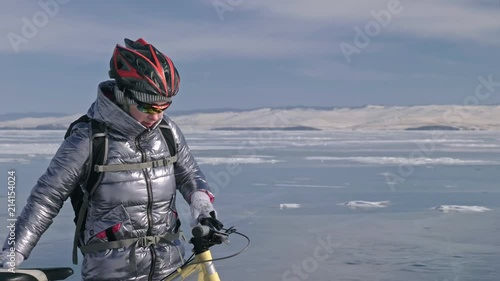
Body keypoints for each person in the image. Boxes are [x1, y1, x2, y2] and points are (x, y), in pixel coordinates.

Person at [0, 38, 223, 280]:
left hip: (168, 267)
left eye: (164, 106)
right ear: (124, 94)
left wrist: (204, 210)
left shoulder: (168, 132)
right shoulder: (88, 139)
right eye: (149, 108)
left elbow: (190, 175)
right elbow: (46, 198)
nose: (157, 116)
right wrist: (13, 253)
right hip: (112, 272)